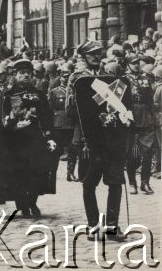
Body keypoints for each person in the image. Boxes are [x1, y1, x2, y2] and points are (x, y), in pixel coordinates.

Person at [66, 40, 127, 242]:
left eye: (98, 53)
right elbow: (70, 110)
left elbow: (120, 103)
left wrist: (112, 116)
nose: (95, 56)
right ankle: (93, 225)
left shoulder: (110, 77)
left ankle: (112, 226)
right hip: (88, 136)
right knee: (89, 182)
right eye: (91, 54)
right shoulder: (77, 79)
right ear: (83, 56)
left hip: (111, 137)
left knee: (115, 180)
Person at [0, 59, 57, 218]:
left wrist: (49, 136)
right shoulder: (8, 93)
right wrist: (10, 125)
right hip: (14, 140)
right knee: (19, 175)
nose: (25, 76)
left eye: (28, 73)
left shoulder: (38, 93)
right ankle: (23, 205)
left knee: (37, 172)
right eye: (22, 73)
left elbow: (45, 116)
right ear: (15, 75)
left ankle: (32, 201)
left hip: (35, 138)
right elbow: (2, 117)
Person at [125, 54, 156, 195]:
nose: (136, 65)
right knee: (131, 153)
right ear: (128, 64)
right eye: (133, 63)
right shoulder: (123, 79)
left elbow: (150, 100)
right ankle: (132, 183)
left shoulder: (146, 78)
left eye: (138, 63)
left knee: (148, 152)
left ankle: (145, 183)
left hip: (145, 118)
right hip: (129, 118)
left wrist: (153, 118)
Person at [48, 71, 77, 181]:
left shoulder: (74, 91)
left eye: (68, 77)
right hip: (58, 124)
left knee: (72, 150)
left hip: (70, 124)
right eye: (64, 77)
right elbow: (49, 110)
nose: (66, 79)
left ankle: (70, 173)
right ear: (60, 78)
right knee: (55, 150)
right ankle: (52, 173)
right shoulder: (55, 92)